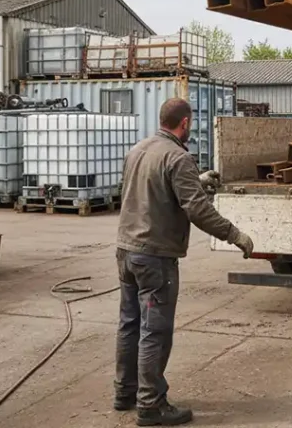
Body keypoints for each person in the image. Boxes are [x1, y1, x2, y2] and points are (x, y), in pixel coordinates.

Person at [114, 97, 254, 426]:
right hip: (154, 257)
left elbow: (144, 188)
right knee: (155, 331)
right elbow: (198, 210)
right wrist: (235, 235)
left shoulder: (139, 149)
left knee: (129, 324)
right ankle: (150, 404)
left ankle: (125, 392)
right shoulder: (178, 157)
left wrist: (196, 180)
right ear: (185, 123)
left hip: (125, 251)